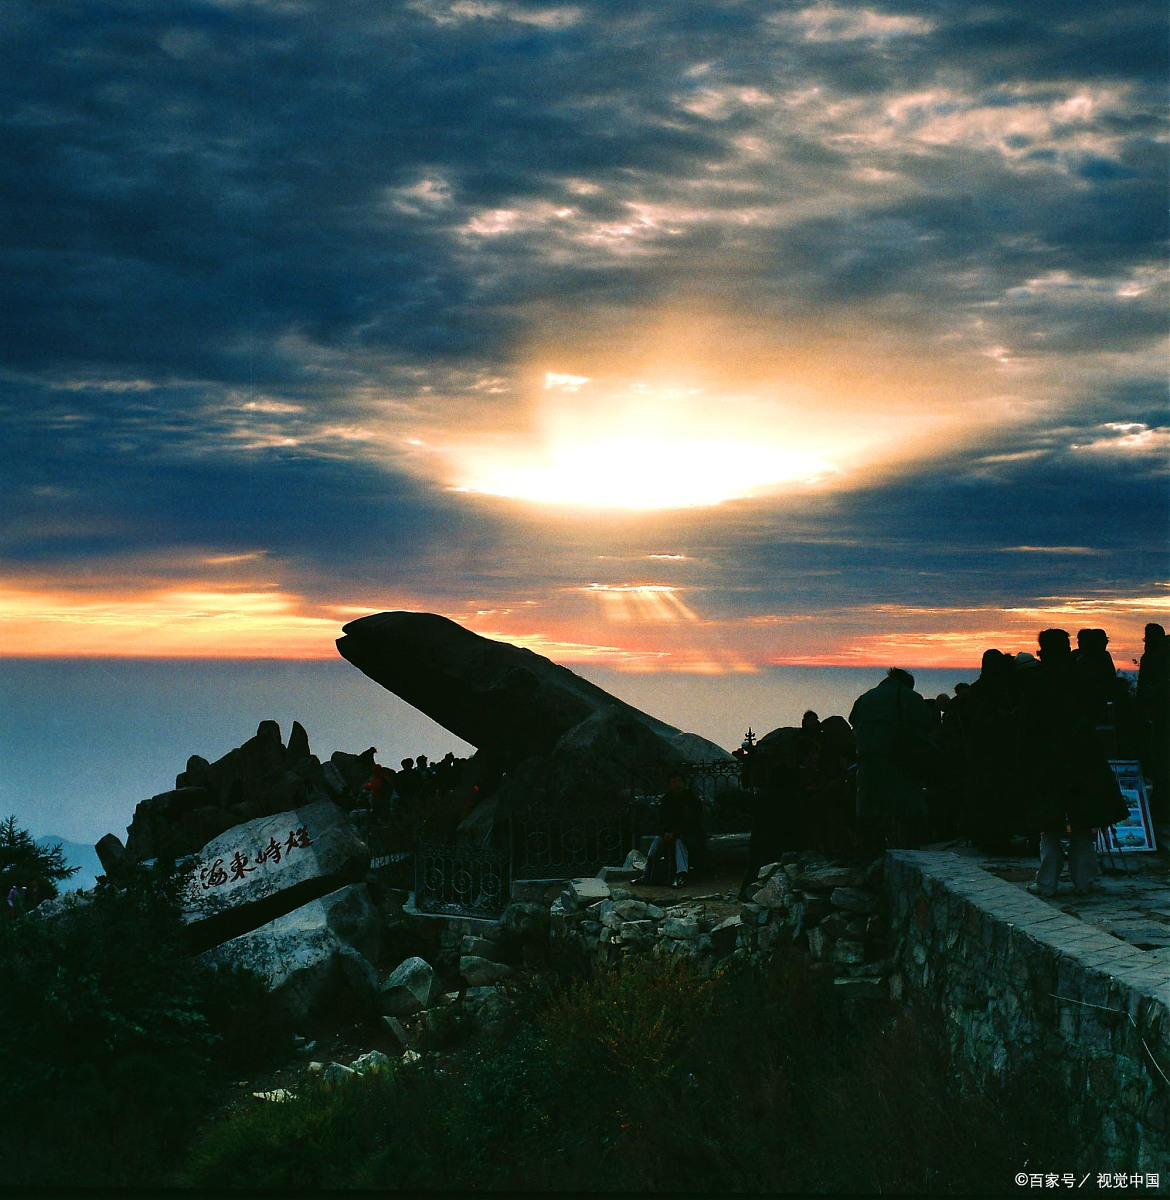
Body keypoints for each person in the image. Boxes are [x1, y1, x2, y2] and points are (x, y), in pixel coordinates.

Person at [1018, 629, 1127, 896]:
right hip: (1082, 757)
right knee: (1082, 820)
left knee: (1049, 824)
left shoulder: (1037, 681)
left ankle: (1047, 883)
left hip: (1048, 760)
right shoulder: (1082, 677)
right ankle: (1084, 880)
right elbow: (1098, 710)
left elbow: (1027, 724)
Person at [848, 668, 935, 855]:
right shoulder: (909, 696)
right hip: (900, 762)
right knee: (908, 811)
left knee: (869, 812)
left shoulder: (865, 697)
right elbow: (927, 721)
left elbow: (852, 719)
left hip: (868, 765)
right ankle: (909, 854)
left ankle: (867, 856)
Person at [635, 770, 708, 888]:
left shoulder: (692, 800)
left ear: (684, 783)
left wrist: (675, 833)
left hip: (690, 834)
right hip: (671, 833)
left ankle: (681, 874)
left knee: (680, 843)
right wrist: (665, 833)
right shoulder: (666, 800)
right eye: (674, 782)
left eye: (679, 781)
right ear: (670, 784)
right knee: (656, 842)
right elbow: (662, 821)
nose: (677, 785)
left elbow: (692, 822)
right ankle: (647, 873)